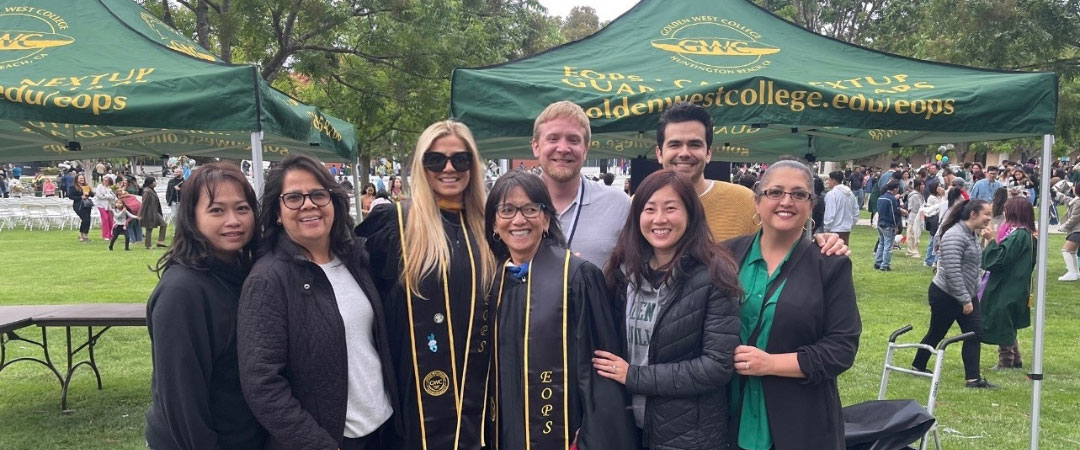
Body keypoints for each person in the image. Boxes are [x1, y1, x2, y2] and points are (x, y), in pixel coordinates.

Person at [238, 154, 396, 450]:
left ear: (333, 201)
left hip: (382, 429)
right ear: (276, 211)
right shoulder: (268, 280)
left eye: (318, 194)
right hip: (332, 441)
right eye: (294, 197)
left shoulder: (354, 259)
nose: (308, 204)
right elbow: (262, 384)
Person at [355, 120, 496, 450]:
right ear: (421, 166)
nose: (449, 168)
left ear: (473, 166)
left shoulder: (491, 226)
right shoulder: (396, 224)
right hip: (415, 392)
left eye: (460, 159)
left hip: (482, 390)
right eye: (435, 160)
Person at [484, 171, 636, 450]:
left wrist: (591, 436)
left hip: (568, 436)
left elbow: (601, 373)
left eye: (530, 209)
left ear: (546, 219)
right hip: (506, 430)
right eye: (506, 210)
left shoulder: (578, 278)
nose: (519, 220)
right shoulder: (491, 282)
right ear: (494, 224)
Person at [591, 169, 740, 449]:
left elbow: (717, 366)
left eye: (671, 208)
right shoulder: (624, 273)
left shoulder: (714, 276)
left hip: (688, 436)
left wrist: (633, 376)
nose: (659, 219)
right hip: (628, 429)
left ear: (691, 215)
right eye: (649, 209)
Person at [725, 159, 861, 450]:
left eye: (799, 194)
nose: (786, 201)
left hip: (800, 421)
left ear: (811, 205)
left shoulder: (830, 264)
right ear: (758, 201)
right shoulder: (725, 256)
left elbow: (842, 348)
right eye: (775, 192)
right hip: (726, 418)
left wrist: (771, 364)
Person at [144, 162, 265, 450]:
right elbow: (182, 402)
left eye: (242, 209)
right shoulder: (182, 292)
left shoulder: (244, 272)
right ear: (192, 218)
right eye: (217, 210)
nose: (233, 220)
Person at [653, 104, 848, 255]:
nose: (684, 153)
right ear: (660, 153)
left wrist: (823, 241)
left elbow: (785, 247)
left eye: (695, 144)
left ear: (709, 153)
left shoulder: (744, 200)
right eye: (675, 144)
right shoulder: (642, 205)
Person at [532, 101, 631, 268]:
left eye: (573, 140)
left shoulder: (619, 206)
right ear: (536, 147)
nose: (563, 148)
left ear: (585, 149)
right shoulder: (513, 206)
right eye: (553, 138)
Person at [911, 199, 997, 389]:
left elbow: (973, 265)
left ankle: (973, 380)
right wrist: (965, 300)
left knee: (974, 334)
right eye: (986, 214)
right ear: (973, 214)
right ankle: (918, 365)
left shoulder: (972, 234)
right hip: (946, 295)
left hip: (966, 293)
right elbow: (952, 271)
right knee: (937, 332)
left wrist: (988, 240)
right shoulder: (955, 235)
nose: (989, 219)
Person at [980, 197, 1036, 369]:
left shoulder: (1018, 235)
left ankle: (1006, 360)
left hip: (1008, 285)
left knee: (1003, 318)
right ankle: (1015, 358)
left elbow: (999, 259)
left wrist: (990, 240)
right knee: (1009, 319)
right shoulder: (1028, 234)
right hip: (1018, 284)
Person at [874, 182, 906, 271]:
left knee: (881, 243)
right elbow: (893, 213)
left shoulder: (881, 197)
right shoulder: (891, 199)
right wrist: (895, 225)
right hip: (888, 224)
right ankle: (885, 265)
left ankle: (878, 262)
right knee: (888, 246)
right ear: (895, 189)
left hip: (880, 223)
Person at [823, 171, 858, 245]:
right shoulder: (850, 194)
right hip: (846, 229)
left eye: (829, 180)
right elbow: (855, 211)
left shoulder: (831, 194)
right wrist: (851, 223)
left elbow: (830, 213)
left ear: (834, 181)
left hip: (834, 229)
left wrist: (826, 228)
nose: (828, 182)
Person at [921, 180, 946, 267]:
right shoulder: (932, 198)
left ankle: (933, 260)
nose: (941, 188)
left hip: (938, 220)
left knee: (936, 240)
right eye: (938, 187)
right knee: (934, 240)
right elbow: (941, 206)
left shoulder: (938, 197)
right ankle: (929, 260)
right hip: (934, 220)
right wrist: (943, 196)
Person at [1059, 183, 1080, 281]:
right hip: (1077, 230)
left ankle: (1072, 273)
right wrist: (1058, 194)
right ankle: (1075, 272)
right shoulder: (1076, 201)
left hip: (1077, 231)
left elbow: (1074, 218)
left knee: (1066, 250)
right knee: (1071, 252)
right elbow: (1069, 200)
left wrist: (1063, 227)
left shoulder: (1078, 202)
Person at [140, 177, 169, 249]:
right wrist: (140, 214)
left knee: (163, 224)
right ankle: (148, 245)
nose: (155, 183)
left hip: (155, 211)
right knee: (149, 228)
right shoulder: (147, 191)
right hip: (149, 212)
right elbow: (144, 203)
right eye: (154, 181)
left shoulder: (151, 190)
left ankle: (160, 241)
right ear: (151, 183)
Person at [68, 173, 94, 242]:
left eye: (83, 178)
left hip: (87, 205)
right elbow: (70, 196)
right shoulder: (73, 187)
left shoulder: (86, 186)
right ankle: (82, 234)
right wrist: (80, 197)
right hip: (78, 205)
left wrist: (89, 191)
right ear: (77, 179)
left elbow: (92, 195)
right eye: (80, 178)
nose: (82, 179)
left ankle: (85, 235)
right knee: (85, 219)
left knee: (88, 220)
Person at [905, 179, 925, 257]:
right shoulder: (915, 195)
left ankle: (914, 249)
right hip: (914, 216)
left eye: (923, 185)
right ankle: (911, 251)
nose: (923, 187)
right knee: (911, 234)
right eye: (921, 185)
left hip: (918, 216)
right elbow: (914, 207)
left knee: (916, 233)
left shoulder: (920, 195)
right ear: (917, 186)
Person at [94, 176, 117, 240]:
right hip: (101, 205)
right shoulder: (100, 187)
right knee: (105, 219)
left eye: (107, 180)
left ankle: (111, 234)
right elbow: (99, 196)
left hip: (109, 206)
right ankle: (106, 235)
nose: (105, 181)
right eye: (104, 180)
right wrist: (107, 196)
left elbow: (113, 197)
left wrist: (106, 196)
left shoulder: (110, 188)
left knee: (110, 219)